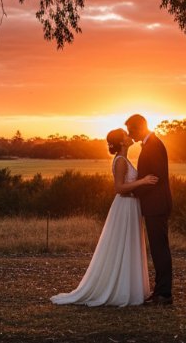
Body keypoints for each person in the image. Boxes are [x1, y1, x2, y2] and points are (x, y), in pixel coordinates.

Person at [50, 128, 158, 306]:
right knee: (122, 245)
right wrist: (143, 181)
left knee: (127, 246)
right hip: (125, 206)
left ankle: (128, 287)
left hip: (131, 206)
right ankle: (119, 289)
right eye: (126, 134)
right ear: (122, 142)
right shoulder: (121, 161)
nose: (130, 136)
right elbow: (119, 188)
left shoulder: (124, 159)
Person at [125, 113, 173, 305]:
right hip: (154, 205)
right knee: (157, 249)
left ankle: (164, 294)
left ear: (140, 127)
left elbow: (155, 178)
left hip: (157, 205)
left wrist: (134, 192)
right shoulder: (150, 144)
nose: (130, 135)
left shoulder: (153, 145)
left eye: (131, 130)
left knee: (159, 249)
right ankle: (160, 291)